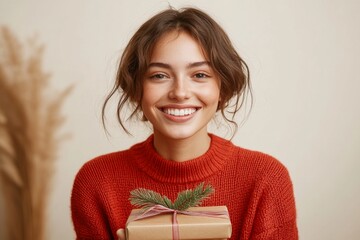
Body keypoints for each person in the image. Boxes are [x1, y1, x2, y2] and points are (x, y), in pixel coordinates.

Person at [71, 7, 298, 240]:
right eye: (159, 75)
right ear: (136, 89)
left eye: (200, 75)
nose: (180, 93)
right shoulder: (97, 180)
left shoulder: (266, 178)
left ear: (223, 88)